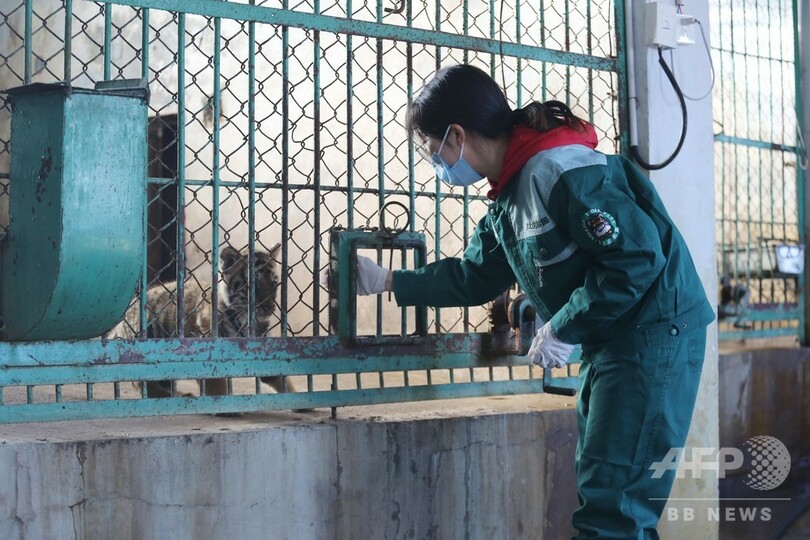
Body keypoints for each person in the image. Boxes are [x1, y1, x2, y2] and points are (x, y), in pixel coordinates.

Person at [355, 64, 714, 539]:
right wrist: (388, 281)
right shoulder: (511, 194)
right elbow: (474, 277)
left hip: (652, 334)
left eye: (431, 149)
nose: (435, 163)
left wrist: (565, 325)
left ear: (457, 135)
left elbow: (637, 259)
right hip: (616, 341)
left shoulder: (558, 170)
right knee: (606, 497)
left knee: (613, 513)